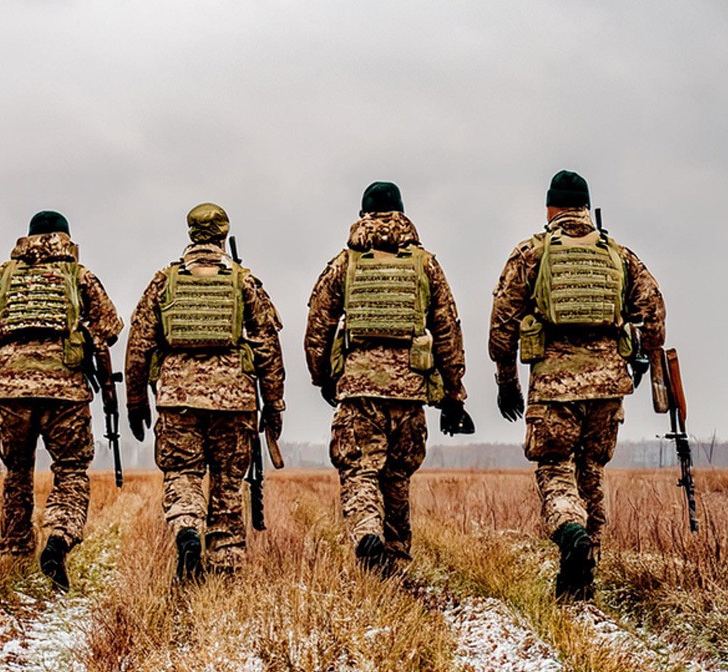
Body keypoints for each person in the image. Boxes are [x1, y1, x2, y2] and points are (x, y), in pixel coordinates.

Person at [490, 170, 666, 600]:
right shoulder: (618, 255)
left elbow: (502, 327)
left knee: (555, 469)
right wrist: (641, 357)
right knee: (591, 473)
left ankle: (571, 532)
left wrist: (507, 382)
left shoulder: (532, 253)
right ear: (585, 207)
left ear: (550, 207)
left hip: (554, 388)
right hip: (608, 387)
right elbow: (654, 313)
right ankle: (583, 580)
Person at [304, 181, 473, 574]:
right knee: (397, 477)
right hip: (410, 390)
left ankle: (367, 534)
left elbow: (318, 328)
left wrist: (324, 378)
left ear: (363, 215)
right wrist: (454, 394)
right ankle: (395, 560)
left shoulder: (344, 264)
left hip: (359, 388)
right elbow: (448, 331)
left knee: (360, 470)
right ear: (402, 213)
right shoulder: (425, 265)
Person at [0, 211, 123, 590]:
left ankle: (16, 556)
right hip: (65, 390)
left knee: (16, 472)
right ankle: (58, 538)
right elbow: (110, 326)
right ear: (66, 238)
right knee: (71, 470)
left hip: (9, 390)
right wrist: (82, 336)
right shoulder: (79, 276)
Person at [125, 203, 285, 582]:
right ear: (223, 236)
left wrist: (135, 399)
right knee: (228, 483)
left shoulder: (165, 281)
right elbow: (267, 345)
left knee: (183, 473)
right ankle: (225, 569)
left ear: (192, 234)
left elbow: (139, 344)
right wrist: (274, 403)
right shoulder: (243, 282)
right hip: (234, 400)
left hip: (178, 398)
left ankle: (187, 531)